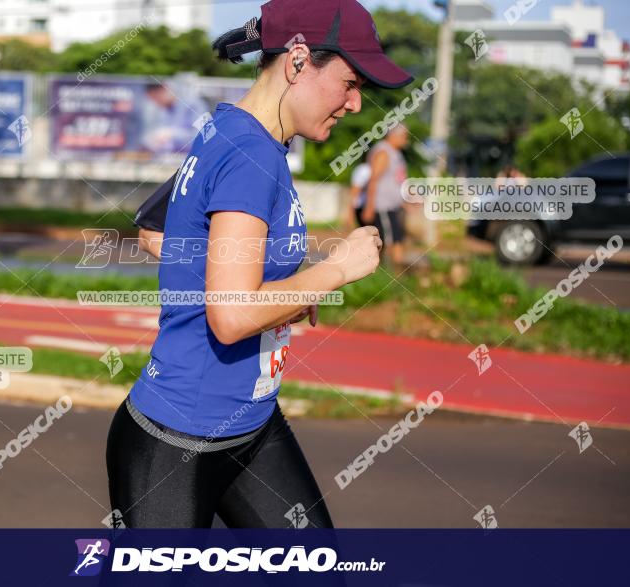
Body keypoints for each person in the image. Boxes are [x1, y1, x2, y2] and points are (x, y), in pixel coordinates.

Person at [107, 0, 414, 528]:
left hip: (251, 429)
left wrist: (273, 290)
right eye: (349, 82)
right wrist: (335, 270)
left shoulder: (235, 132)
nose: (356, 104)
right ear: (297, 60)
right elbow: (229, 317)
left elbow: (158, 234)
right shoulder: (250, 154)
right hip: (176, 443)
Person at [359, 123, 409, 265]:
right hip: (382, 206)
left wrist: (405, 202)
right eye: (404, 136)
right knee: (387, 242)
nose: (406, 139)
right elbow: (373, 180)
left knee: (396, 239)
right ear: (394, 135)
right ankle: (383, 274)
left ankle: (391, 273)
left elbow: (396, 182)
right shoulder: (383, 152)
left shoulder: (397, 154)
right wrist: (369, 207)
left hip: (392, 206)